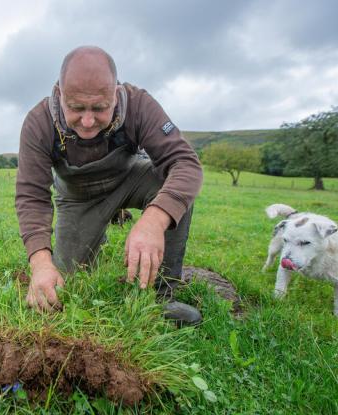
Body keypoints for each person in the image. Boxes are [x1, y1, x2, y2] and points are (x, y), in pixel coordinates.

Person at [15, 46, 204, 326]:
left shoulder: (139, 104)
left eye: (100, 108)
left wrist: (153, 220)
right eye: (76, 108)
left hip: (129, 180)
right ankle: (92, 239)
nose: (88, 121)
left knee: (172, 187)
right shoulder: (38, 122)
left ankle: (162, 297)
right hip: (77, 199)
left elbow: (186, 163)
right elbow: (32, 196)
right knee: (70, 286)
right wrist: (41, 262)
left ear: (115, 94)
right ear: (60, 95)